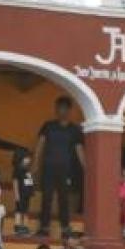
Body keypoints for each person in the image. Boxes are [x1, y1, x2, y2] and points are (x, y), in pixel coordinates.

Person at [34, 96, 85, 234]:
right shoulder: (48, 126)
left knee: (64, 198)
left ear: (69, 110)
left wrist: (86, 168)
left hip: (66, 169)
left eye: (63, 108)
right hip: (48, 167)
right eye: (58, 108)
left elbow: (79, 149)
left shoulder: (74, 130)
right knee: (47, 197)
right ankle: (44, 228)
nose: (60, 111)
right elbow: (40, 145)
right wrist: (35, 164)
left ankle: (65, 228)